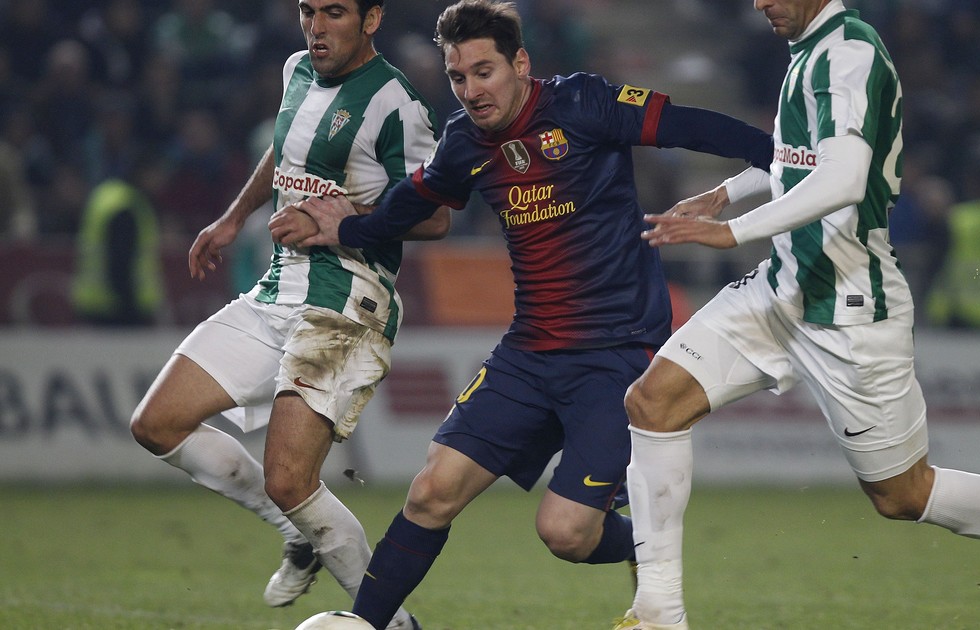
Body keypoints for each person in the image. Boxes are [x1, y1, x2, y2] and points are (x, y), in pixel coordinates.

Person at [612, 1, 980, 628]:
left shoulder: (847, 53)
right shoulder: (810, 50)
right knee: (653, 403)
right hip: (779, 291)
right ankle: (657, 613)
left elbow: (845, 180)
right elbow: (796, 160)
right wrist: (724, 192)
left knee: (903, 494)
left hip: (850, 307)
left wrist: (733, 231)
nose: (759, 3)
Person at [267, 1, 773, 627]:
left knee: (565, 533)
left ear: (521, 63)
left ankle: (639, 544)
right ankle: (367, 625)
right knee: (431, 492)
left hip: (617, 356)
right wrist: (345, 229)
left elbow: (696, 127)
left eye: (484, 72)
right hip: (529, 352)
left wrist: (784, 159)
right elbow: (409, 205)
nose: (471, 90)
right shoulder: (463, 142)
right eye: (458, 77)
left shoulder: (584, 104)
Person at [128, 2, 448, 628]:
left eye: (334, 12)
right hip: (276, 289)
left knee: (291, 480)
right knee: (156, 424)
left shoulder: (396, 104)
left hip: (347, 300)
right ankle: (296, 531)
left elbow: (435, 217)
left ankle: (393, 623)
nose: (316, 26)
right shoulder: (296, 68)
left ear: (372, 19)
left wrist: (341, 222)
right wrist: (234, 217)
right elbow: (285, 153)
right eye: (307, 10)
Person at [70, 153, 166, 327]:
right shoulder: (127, 207)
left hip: (93, 306)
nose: (162, 181)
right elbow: (120, 263)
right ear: (144, 173)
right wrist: (131, 311)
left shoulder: (105, 195)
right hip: (118, 313)